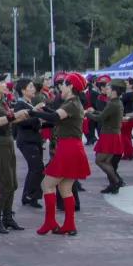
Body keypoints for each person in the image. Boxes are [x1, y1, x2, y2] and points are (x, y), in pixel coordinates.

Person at [31, 72, 90, 236]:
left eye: (63, 85)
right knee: (65, 188)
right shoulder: (74, 103)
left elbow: (54, 117)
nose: (60, 88)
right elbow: (58, 116)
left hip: (68, 148)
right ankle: (69, 224)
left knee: (47, 184)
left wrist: (32, 113)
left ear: (70, 86)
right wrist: (45, 109)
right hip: (73, 147)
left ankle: (50, 222)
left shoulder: (71, 104)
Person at [0, 74, 22, 234]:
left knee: (12, 182)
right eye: (1, 82)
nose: (5, 84)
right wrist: (15, 115)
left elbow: (10, 119)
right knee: (3, 182)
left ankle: (7, 217)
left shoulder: (2, 101)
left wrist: (27, 113)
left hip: (7, 140)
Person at [88, 79, 125, 194]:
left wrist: (87, 114)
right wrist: (94, 112)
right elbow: (104, 114)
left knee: (100, 160)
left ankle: (116, 181)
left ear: (114, 91)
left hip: (109, 135)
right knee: (107, 161)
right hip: (111, 134)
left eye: (108, 88)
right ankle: (113, 184)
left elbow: (100, 118)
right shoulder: (115, 102)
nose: (106, 90)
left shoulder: (113, 103)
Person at [13, 79, 45, 209]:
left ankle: (30, 195)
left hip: (34, 139)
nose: (33, 89)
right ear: (23, 90)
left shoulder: (30, 103)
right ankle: (30, 195)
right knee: (37, 168)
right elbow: (21, 122)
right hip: (26, 140)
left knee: (36, 169)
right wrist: (36, 117)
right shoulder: (20, 105)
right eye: (30, 87)